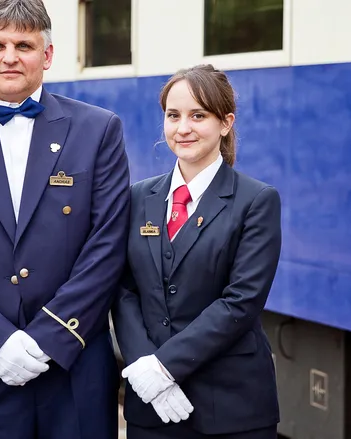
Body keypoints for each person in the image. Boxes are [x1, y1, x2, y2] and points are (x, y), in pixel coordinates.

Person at [0, 0, 131, 437]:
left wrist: (51, 336)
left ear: (47, 55)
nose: (9, 56)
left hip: (76, 366)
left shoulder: (99, 130)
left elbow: (107, 244)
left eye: (24, 45)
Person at [112, 64, 282, 439]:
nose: (183, 128)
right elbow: (124, 290)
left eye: (198, 115)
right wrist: (144, 366)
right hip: (151, 407)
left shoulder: (256, 201)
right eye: (173, 116)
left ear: (225, 123)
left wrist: (164, 367)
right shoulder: (138, 197)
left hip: (232, 410)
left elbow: (241, 301)